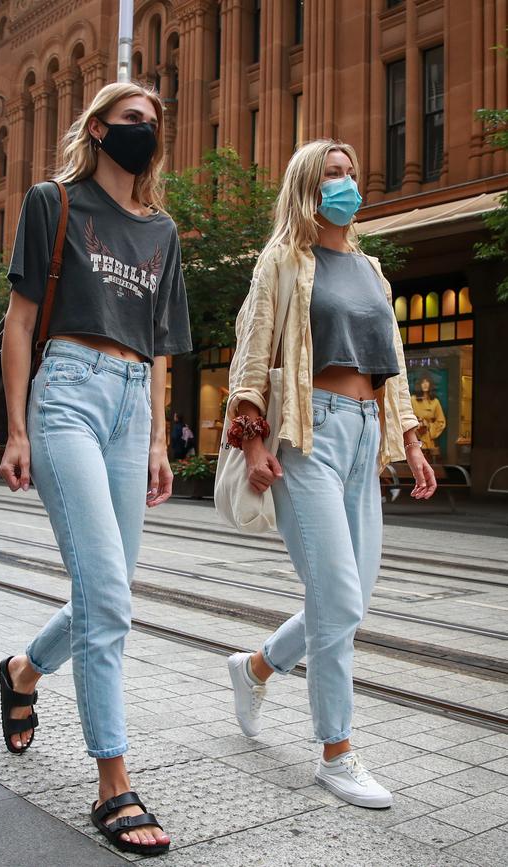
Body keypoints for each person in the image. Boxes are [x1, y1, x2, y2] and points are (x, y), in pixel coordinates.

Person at [0, 82, 191, 857]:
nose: (145, 132)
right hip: (66, 396)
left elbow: (159, 348)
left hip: (130, 406)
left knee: (105, 592)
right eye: (132, 121)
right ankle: (114, 781)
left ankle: (22, 669)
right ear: (99, 130)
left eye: (154, 123)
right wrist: (15, 427)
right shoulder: (55, 202)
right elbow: (19, 321)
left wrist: (156, 441)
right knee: (108, 594)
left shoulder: (163, 231)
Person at [224, 139, 437, 810]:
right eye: (332, 174)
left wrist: (409, 437)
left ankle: (256, 666)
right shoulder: (284, 260)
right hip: (305, 434)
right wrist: (255, 442)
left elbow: (391, 363)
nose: (346, 182)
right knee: (339, 598)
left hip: (364, 435)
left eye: (350, 171)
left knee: (352, 597)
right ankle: (336, 753)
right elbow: (252, 352)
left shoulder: (373, 270)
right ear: (309, 188)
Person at [411, 373, 446, 457]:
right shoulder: (412, 399)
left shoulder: (435, 402)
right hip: (415, 438)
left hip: (429, 441)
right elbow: (404, 418)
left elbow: (441, 422)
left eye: (427, 381)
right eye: (423, 382)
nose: (425, 384)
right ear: (419, 384)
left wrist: (429, 426)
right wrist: (416, 426)